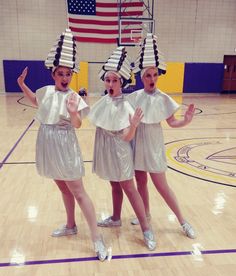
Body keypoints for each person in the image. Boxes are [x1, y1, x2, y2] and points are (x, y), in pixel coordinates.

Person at [17, 29, 107, 261]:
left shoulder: (74, 97)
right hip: (47, 142)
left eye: (68, 74)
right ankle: (70, 224)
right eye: (61, 74)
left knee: (78, 191)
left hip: (65, 144)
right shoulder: (46, 91)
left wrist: (74, 112)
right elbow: (36, 101)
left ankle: (97, 238)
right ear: (53, 74)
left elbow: (77, 124)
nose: (65, 78)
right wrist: (21, 84)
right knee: (62, 188)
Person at [97, 33, 196, 239]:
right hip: (135, 145)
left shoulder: (163, 98)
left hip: (153, 146)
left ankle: (183, 221)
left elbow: (172, 122)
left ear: (158, 76)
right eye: (148, 75)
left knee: (162, 186)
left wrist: (185, 120)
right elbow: (116, 103)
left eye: (155, 75)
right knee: (140, 183)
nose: (152, 79)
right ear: (142, 78)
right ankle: (146, 214)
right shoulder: (133, 97)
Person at [88, 46, 156, 250]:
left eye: (114, 80)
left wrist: (134, 125)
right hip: (107, 149)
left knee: (129, 187)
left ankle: (146, 228)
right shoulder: (102, 103)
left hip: (121, 150)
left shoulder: (126, 106)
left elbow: (127, 137)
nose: (110, 83)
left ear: (122, 82)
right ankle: (116, 217)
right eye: (107, 80)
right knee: (114, 185)